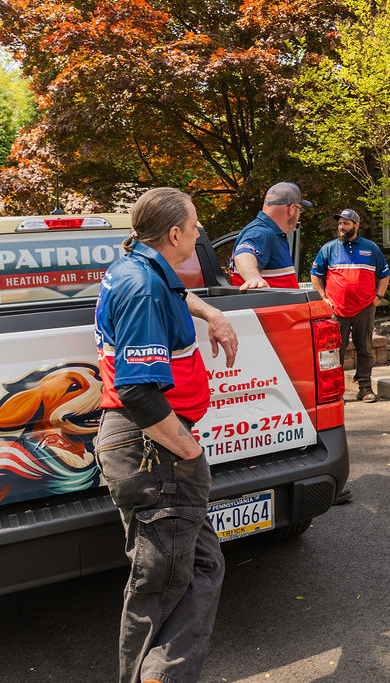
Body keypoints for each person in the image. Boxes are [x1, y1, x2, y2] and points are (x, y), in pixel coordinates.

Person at [95, 187, 239, 683]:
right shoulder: (143, 288)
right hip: (154, 451)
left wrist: (212, 313)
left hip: (149, 448)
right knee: (160, 584)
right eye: (195, 227)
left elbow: (173, 291)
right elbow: (138, 392)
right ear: (174, 233)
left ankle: (162, 674)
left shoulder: (141, 266)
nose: (199, 235)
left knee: (200, 566)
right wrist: (189, 451)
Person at [310, 208, 390, 404]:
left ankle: (365, 388)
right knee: (335, 351)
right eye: (340, 223)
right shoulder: (329, 248)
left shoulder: (371, 248)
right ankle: (335, 392)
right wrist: (323, 298)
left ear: (356, 225)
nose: (341, 227)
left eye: (345, 223)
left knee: (365, 349)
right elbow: (315, 275)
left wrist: (378, 297)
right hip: (337, 310)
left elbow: (384, 274)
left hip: (365, 308)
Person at [230, 182, 311, 289]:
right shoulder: (261, 232)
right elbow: (243, 254)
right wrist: (254, 278)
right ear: (291, 209)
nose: (299, 214)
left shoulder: (273, 233)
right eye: (300, 209)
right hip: (262, 300)